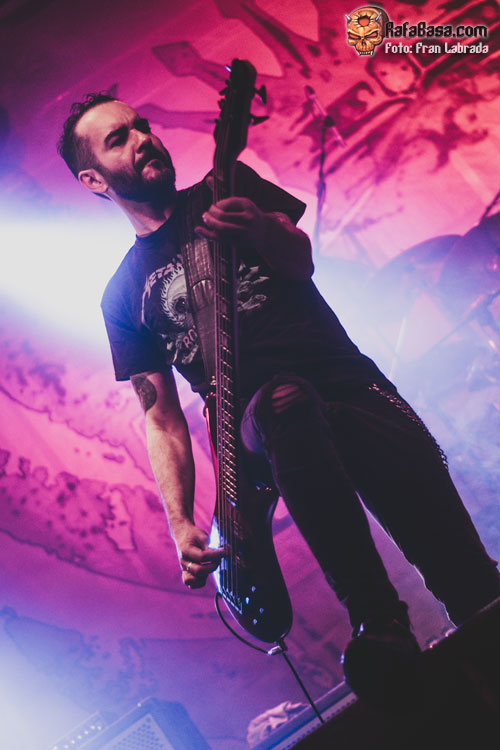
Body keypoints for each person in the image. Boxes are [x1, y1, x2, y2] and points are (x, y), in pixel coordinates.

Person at [58, 92, 500, 707]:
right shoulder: (122, 294)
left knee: (473, 584)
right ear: (93, 180)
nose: (141, 139)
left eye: (141, 126)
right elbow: (160, 416)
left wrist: (263, 228)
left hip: (350, 387)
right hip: (255, 426)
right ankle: (377, 618)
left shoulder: (227, 187)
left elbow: (300, 260)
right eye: (118, 139)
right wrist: (180, 520)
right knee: (283, 403)